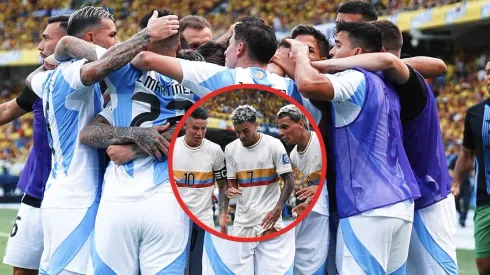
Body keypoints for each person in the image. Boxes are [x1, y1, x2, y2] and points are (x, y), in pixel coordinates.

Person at [26, 7, 177, 274]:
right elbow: (106, 63)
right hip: (77, 197)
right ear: (91, 39)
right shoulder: (73, 73)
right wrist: (146, 34)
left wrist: (53, 58)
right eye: (113, 34)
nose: (118, 41)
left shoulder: (47, 77)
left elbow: (30, 79)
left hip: (58, 194)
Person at [311, 19, 456, 274]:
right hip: (400, 196)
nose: (334, 51)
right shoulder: (378, 80)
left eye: (339, 45)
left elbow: (436, 65)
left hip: (426, 195)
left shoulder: (405, 80)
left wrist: (326, 65)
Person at [288, 21, 420, 274]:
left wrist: (302, 55)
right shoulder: (386, 82)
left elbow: (307, 84)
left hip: (368, 206)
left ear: (357, 53)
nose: (333, 53)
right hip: (401, 203)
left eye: (338, 45)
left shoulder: (355, 77)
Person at [130, 20, 322, 125]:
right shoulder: (295, 89)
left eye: (229, 45)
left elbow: (146, 59)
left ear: (239, 49)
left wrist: (148, 33)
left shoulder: (221, 77)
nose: (225, 51)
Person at [2, 14, 68, 275]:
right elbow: (8, 109)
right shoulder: (39, 83)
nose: (40, 46)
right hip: (37, 190)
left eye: (46, 38)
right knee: (23, 271)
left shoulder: (95, 80)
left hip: (76, 194)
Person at [202, 105, 295, 275]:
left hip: (268, 219)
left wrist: (278, 208)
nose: (241, 136)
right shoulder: (231, 149)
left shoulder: (274, 145)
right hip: (242, 221)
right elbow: (230, 185)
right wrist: (224, 211)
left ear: (256, 125)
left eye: (245, 131)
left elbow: (289, 181)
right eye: (238, 132)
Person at [277, 104, 329, 275]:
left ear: (300, 124)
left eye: (285, 127)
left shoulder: (320, 141)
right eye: (279, 128)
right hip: (324, 207)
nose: (281, 133)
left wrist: (319, 188)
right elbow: (311, 184)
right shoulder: (293, 156)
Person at [453, 60, 490, 275]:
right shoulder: (475, 114)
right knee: (483, 264)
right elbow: (467, 155)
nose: (489, 77)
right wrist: (456, 182)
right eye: (487, 73)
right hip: (485, 200)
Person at [173, 106, 228, 232]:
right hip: (174, 217)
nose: (200, 133)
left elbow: (222, 185)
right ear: (185, 125)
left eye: (204, 128)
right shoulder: (172, 147)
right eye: (195, 128)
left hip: (204, 219)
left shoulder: (215, 150)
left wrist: (222, 214)